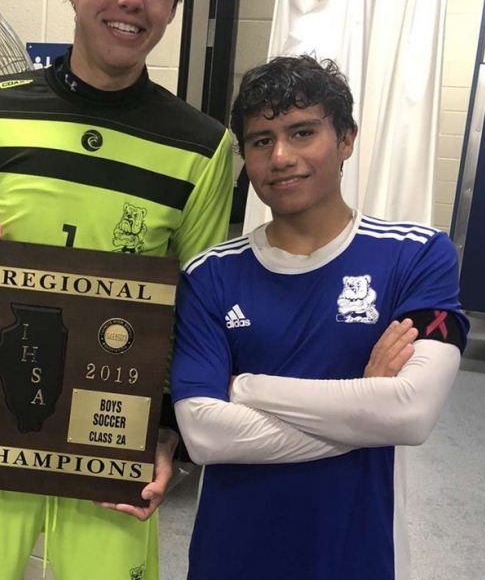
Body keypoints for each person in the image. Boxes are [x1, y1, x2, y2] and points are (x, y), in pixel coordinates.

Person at [0, 0, 234, 580]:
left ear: (173, 7)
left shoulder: (203, 148)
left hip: (112, 435)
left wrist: (169, 433)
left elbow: (200, 310)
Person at [171, 54, 468, 580]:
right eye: (262, 141)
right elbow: (204, 436)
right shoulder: (210, 274)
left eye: (302, 132)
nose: (281, 156)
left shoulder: (417, 255)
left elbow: (409, 415)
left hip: (350, 553)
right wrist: (363, 404)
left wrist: (247, 389)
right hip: (230, 555)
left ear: (346, 139)